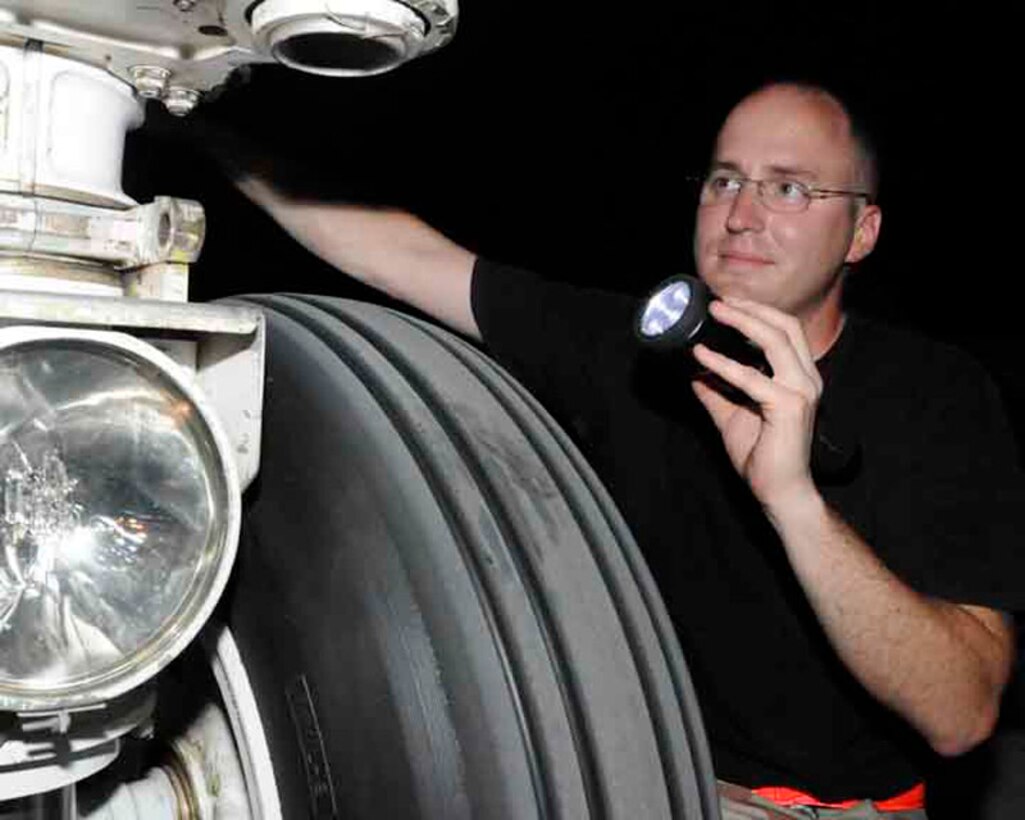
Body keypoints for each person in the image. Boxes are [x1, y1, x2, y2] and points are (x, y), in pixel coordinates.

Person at [230, 81, 1023, 817]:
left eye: (787, 189)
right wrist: (201, 121)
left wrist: (792, 502)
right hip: (637, 785)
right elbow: (408, 261)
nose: (740, 215)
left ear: (861, 231)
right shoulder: (636, 349)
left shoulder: (932, 395)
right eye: (724, 180)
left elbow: (960, 714)